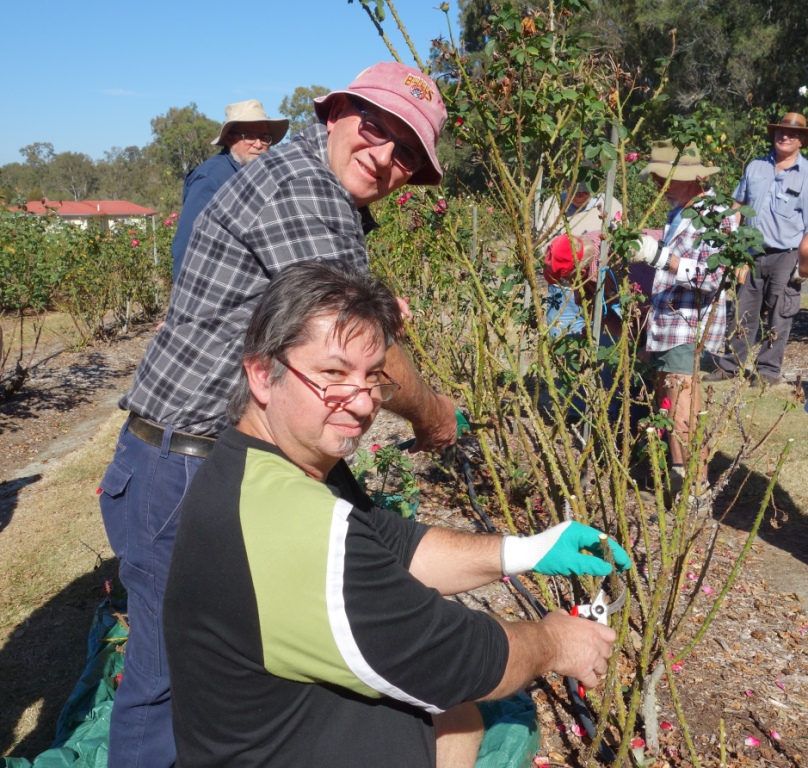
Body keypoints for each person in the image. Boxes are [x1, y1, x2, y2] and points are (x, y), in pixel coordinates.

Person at [98, 62, 458, 768]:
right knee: (170, 680)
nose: (387, 156)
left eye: (408, 151)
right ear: (334, 114)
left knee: (223, 669)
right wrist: (433, 414)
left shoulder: (318, 190)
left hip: (207, 461)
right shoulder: (303, 190)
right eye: (377, 127)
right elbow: (362, 354)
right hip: (183, 470)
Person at [163, 261, 631, 768]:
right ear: (261, 373)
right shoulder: (292, 522)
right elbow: (457, 660)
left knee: (457, 714)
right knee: (459, 701)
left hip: (302, 728)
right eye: (333, 375)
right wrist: (555, 641)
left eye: (373, 380)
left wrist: (528, 549)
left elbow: (392, 544)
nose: (363, 405)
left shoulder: (268, 465)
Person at [632, 140, 736, 506]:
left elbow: (715, 276)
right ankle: (680, 485)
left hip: (688, 325)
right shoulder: (678, 210)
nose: (658, 184)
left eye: (664, 177)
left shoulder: (716, 213)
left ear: (689, 179)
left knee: (683, 411)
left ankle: (695, 493)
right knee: (668, 406)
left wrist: (663, 258)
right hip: (665, 324)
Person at [705, 112, 808, 387]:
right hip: (749, 253)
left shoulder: (807, 175)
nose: (784, 136)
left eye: (792, 134)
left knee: (780, 313)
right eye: (780, 132)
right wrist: (734, 248)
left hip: (786, 255)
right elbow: (737, 208)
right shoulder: (755, 167)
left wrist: (804, 267)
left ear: (801, 140)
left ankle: (767, 372)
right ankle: (730, 366)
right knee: (743, 311)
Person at [170, 99, 289, 280]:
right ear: (230, 138)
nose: (258, 144)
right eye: (249, 136)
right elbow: (186, 244)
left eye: (264, 137)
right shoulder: (211, 180)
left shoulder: (262, 176)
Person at [536, 175, 623, 337]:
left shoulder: (609, 204)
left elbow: (622, 242)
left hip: (600, 291)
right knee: (561, 342)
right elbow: (543, 246)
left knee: (603, 345)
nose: (581, 194)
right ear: (566, 186)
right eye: (576, 190)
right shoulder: (553, 206)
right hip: (563, 291)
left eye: (585, 190)